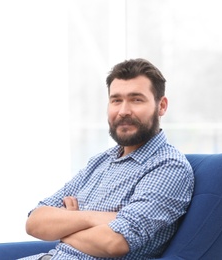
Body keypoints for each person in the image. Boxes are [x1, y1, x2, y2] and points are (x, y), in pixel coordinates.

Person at [19, 58, 194, 260]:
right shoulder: (101, 161)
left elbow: (114, 242)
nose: (123, 111)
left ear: (161, 106)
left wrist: (65, 225)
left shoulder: (168, 167)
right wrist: (94, 219)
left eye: (136, 99)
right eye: (116, 100)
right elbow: (35, 221)